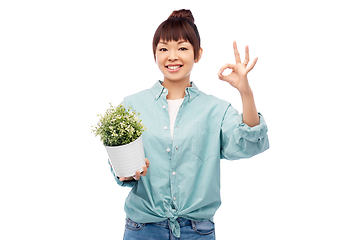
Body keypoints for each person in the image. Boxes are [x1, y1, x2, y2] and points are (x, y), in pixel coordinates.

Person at [109, 9, 269, 239]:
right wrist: (128, 171)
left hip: (197, 231)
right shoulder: (132, 105)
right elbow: (118, 165)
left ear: (198, 53)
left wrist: (245, 91)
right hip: (143, 229)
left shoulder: (216, 109)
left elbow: (250, 144)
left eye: (182, 48)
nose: (172, 56)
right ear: (154, 54)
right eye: (163, 48)